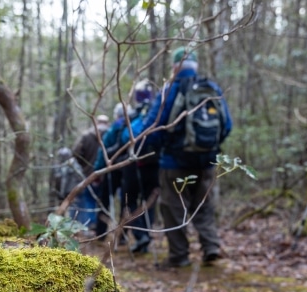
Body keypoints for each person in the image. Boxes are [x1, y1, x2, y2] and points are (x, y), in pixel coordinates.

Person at [140, 47, 233, 268]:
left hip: (174, 162)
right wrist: (211, 146)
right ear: (195, 66)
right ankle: (211, 247)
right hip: (207, 161)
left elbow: (151, 126)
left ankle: (179, 256)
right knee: (204, 205)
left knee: (173, 208)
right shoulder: (212, 88)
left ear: (174, 67)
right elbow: (227, 125)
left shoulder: (170, 89)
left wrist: (159, 147)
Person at [121, 79, 160, 253]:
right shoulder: (156, 112)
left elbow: (123, 138)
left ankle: (140, 236)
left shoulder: (134, 114)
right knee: (148, 202)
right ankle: (145, 235)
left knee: (129, 201)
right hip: (154, 165)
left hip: (133, 164)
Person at [93, 103, 132, 242]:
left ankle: (101, 233)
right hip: (129, 168)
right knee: (126, 202)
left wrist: (97, 171)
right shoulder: (134, 125)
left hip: (113, 169)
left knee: (105, 200)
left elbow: (102, 151)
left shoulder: (114, 128)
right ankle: (123, 236)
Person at [71, 115, 110, 228]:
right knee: (103, 201)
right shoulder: (111, 134)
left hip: (88, 174)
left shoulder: (86, 136)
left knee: (89, 199)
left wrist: (83, 165)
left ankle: (91, 223)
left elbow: (76, 153)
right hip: (106, 174)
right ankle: (100, 226)